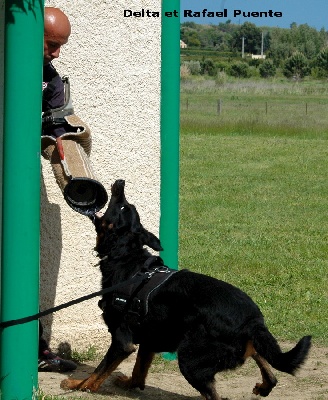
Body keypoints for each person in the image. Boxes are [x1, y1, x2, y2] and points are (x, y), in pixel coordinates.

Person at [38, 6, 77, 372]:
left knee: (16, 265)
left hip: (16, 187)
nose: (56, 53)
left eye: (60, 45)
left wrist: (64, 143)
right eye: (52, 44)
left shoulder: (49, 78)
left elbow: (57, 123)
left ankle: (34, 349)